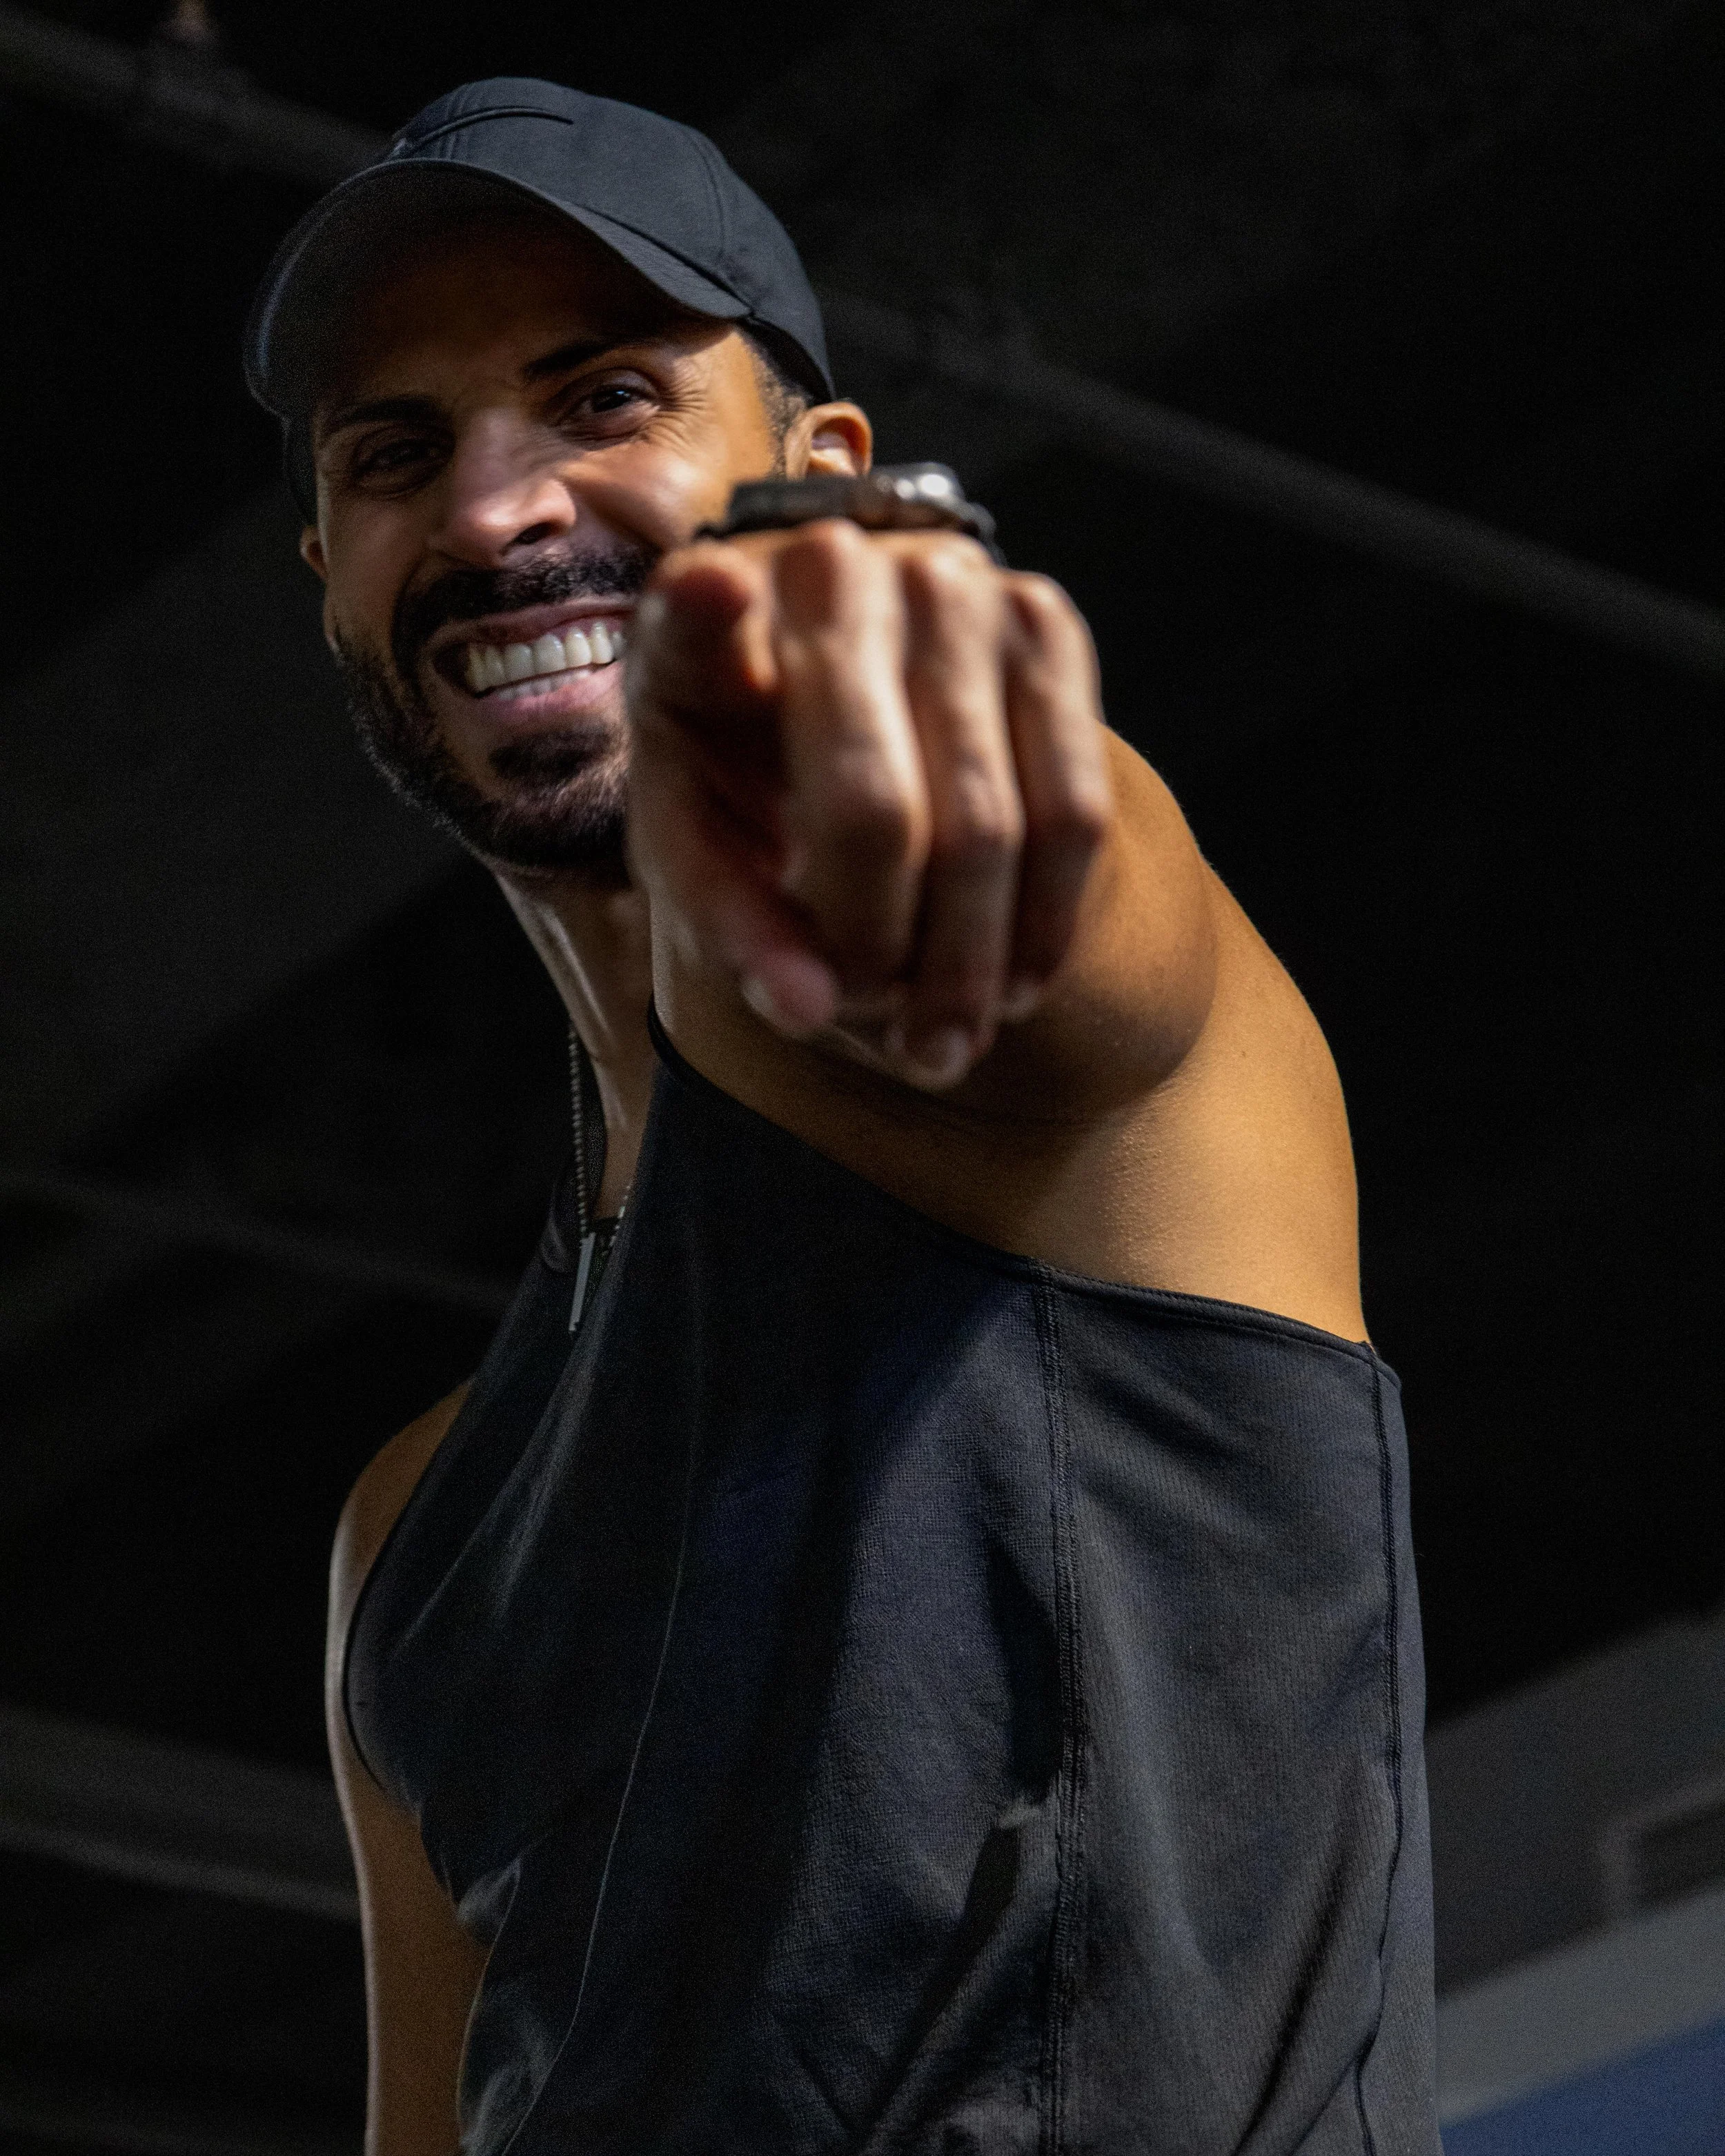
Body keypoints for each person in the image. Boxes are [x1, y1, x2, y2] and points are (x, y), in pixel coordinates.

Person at [246, 77, 1437, 2156]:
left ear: (816, 471)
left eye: (601, 396)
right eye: (396, 453)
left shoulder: (1062, 1080)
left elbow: (1049, 921)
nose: (500, 507)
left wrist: (860, 656)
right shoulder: (414, 1534)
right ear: (332, 574)